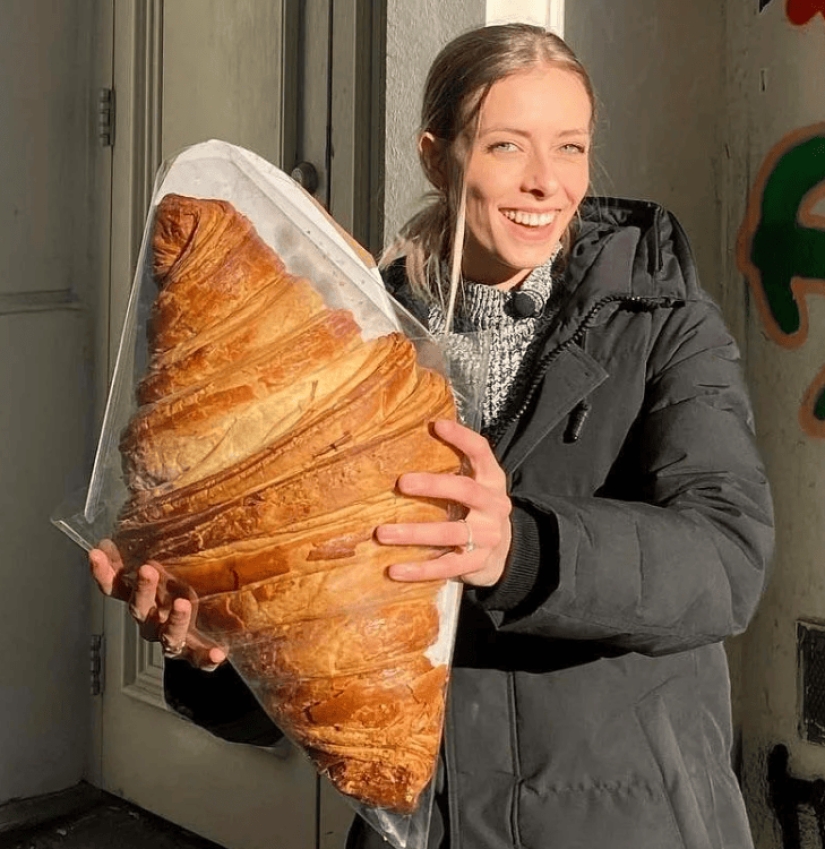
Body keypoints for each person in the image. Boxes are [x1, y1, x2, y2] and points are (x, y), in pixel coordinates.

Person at [90, 23, 774, 849]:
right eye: (505, 146)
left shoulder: (659, 322)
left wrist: (517, 550)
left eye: (570, 147)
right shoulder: (350, 341)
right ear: (435, 155)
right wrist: (221, 648)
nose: (544, 183)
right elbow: (306, 662)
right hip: (421, 826)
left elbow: (726, 561)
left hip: (624, 818)